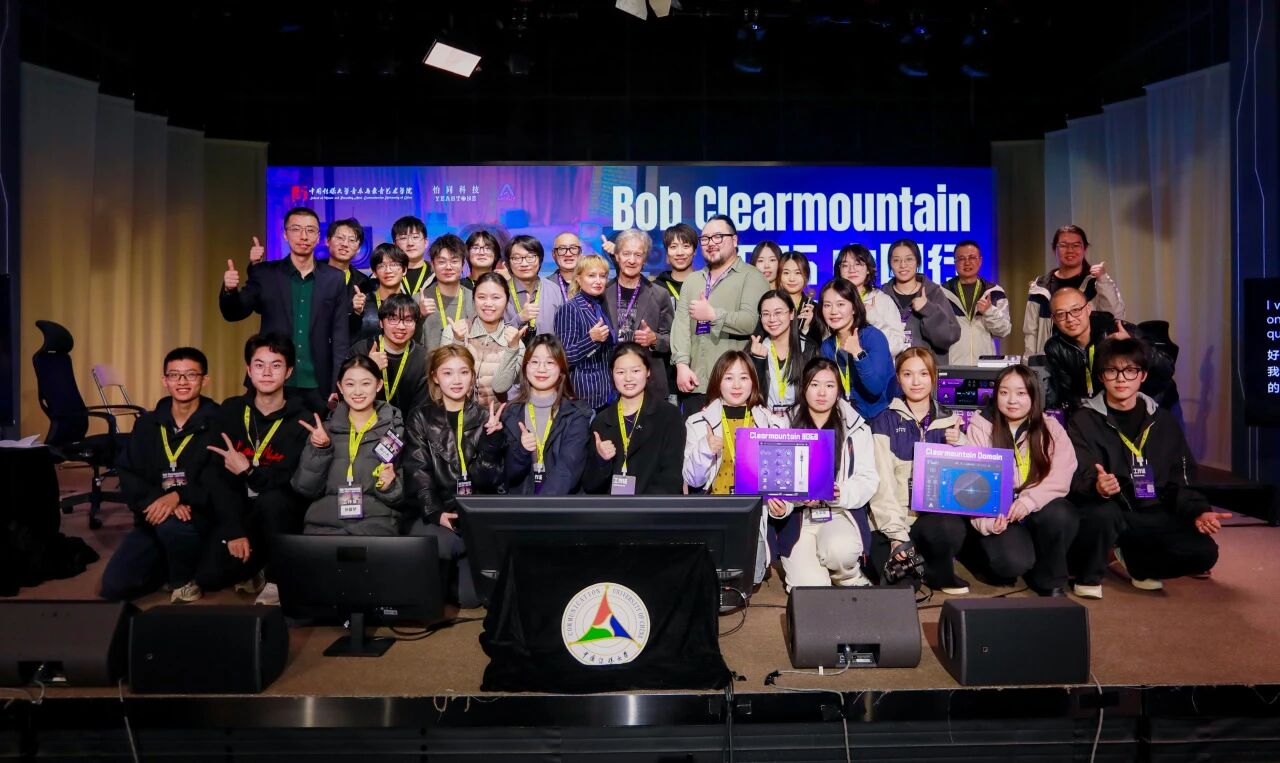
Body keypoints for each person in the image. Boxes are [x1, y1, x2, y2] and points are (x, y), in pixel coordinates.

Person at [1066, 338, 1225, 598]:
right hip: (1110, 508)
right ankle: (1089, 574)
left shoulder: (1163, 420)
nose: (1121, 378)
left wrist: (1199, 511)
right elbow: (1079, 471)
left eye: (1130, 370)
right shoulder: (1083, 420)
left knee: (1204, 554)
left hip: (1152, 508)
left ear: (1143, 375)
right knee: (1100, 515)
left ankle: (1136, 561)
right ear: (1102, 376)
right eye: (1112, 370)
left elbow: (1181, 476)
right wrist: (1097, 485)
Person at [100, 348, 225, 603]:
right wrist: (160, 500)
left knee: (177, 530)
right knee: (114, 586)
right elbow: (128, 471)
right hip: (155, 512)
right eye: (174, 375)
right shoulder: (147, 424)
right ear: (164, 380)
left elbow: (219, 478)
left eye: (191, 375)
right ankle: (170, 561)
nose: (182, 382)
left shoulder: (219, 422)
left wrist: (179, 496)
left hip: (200, 514)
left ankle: (183, 580)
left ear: (204, 380)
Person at [205, 333, 311, 606]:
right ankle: (258, 563)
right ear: (248, 369)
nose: (266, 373)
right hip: (242, 509)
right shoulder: (230, 411)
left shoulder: (302, 419)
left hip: (282, 513)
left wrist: (248, 472)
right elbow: (217, 477)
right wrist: (233, 530)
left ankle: (277, 576)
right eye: (259, 365)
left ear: (288, 371)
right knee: (211, 577)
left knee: (274, 501)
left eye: (276, 365)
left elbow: (287, 480)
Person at [403, 346, 506, 609]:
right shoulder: (420, 417)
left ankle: (461, 560)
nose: (457, 380)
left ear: (472, 375)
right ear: (435, 377)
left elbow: (488, 480)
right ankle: (448, 562)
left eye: (463, 372)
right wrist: (435, 513)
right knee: (434, 573)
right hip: (439, 511)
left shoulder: (485, 417)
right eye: (448, 373)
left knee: (470, 600)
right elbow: (418, 471)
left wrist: (492, 442)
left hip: (474, 514)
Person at [963, 365, 1080, 597]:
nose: (1012, 400)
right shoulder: (980, 428)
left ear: (1033, 396)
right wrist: (988, 523)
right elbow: (972, 484)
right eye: (1004, 392)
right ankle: (985, 556)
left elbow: (1062, 474)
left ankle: (1049, 578)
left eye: (1021, 393)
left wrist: (1029, 501)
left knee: (1062, 514)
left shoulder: (1051, 428)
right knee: (1010, 565)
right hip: (998, 511)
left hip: (1037, 505)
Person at [220, 206, 350, 413]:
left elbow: (340, 336)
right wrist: (229, 290)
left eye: (310, 230)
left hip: (318, 384)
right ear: (285, 234)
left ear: (318, 237)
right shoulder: (265, 273)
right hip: (271, 380)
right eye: (296, 229)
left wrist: (338, 382)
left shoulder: (334, 278)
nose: (303, 236)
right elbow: (234, 313)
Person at [771, 357, 880, 589]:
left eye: (829, 385)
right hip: (799, 519)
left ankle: (847, 577)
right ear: (804, 388)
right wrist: (785, 504)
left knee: (839, 550)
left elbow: (868, 478)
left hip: (837, 513)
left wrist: (840, 492)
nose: (822, 393)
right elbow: (775, 479)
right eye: (815, 384)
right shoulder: (783, 425)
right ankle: (821, 574)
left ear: (838, 389)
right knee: (808, 588)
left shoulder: (856, 428)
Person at [867, 348, 969, 594]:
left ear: (933, 376)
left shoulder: (951, 421)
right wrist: (897, 536)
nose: (916, 382)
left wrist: (961, 444)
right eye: (907, 374)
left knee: (949, 528)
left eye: (923, 373)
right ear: (898, 379)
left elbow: (968, 481)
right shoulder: (883, 421)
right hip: (891, 521)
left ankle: (937, 571)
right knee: (904, 588)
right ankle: (910, 562)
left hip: (929, 519)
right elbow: (881, 488)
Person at [683, 351, 787, 583]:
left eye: (744, 377)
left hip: (751, 514)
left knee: (752, 576)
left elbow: (783, 479)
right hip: (714, 511)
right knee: (709, 578)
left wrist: (782, 506)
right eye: (729, 378)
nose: (737, 385)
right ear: (718, 381)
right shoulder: (698, 422)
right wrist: (705, 449)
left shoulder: (772, 424)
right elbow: (692, 480)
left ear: (753, 381)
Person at [670, 214, 771, 416]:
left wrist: (713, 315)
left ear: (734, 240)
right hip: (695, 383)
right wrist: (681, 365)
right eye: (705, 239)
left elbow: (750, 322)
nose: (711, 243)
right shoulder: (693, 280)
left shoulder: (752, 276)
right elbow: (680, 326)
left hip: (736, 389)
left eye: (718, 237)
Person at [294, 355, 404, 536]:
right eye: (350, 384)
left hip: (375, 524)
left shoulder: (395, 432)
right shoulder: (324, 431)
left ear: (378, 385)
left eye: (366, 383)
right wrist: (320, 450)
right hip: (325, 524)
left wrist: (389, 486)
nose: (357, 391)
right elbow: (306, 489)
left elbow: (403, 497)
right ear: (340, 387)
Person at [1041, 287, 1177, 415]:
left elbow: (1167, 368)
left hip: (1156, 402)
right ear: (1054, 319)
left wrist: (1133, 345)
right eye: (1061, 314)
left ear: (1088, 309)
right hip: (1106, 411)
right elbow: (1068, 393)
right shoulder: (1055, 347)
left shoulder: (1117, 329)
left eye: (1076, 310)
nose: (1070, 319)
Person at [583, 343, 686, 495]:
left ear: (648, 371)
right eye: (621, 372)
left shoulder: (669, 415)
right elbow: (590, 485)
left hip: (654, 506)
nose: (628, 378)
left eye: (636, 371)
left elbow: (672, 476)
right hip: (613, 507)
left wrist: (641, 506)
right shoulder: (601, 421)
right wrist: (601, 460)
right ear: (611, 373)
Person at [499, 335, 593, 495]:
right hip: (521, 504)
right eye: (534, 362)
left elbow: (568, 470)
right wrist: (522, 451)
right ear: (525, 367)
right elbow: (508, 475)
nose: (541, 369)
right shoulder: (511, 412)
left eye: (550, 362)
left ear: (561, 368)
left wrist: (541, 506)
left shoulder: (576, 414)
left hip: (560, 506)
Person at [1023, 224, 1126, 356]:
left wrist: (1103, 279)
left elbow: (1116, 316)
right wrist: (1030, 362)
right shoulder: (1040, 287)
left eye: (1076, 245)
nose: (1070, 250)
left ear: (1085, 249)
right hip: (1051, 359)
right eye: (1064, 245)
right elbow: (1030, 331)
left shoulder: (1097, 283)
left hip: (1091, 358)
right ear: (1054, 249)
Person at [605, 229, 674, 400]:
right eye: (626, 253)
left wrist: (654, 339)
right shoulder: (602, 293)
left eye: (638, 255)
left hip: (650, 384)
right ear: (617, 256)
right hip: (609, 384)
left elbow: (673, 340)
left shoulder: (660, 294)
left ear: (645, 260)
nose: (632, 260)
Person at [817, 278, 895, 420]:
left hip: (879, 420)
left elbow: (875, 388)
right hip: (845, 419)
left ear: (854, 308)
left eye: (840, 304)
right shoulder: (827, 346)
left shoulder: (873, 337)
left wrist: (858, 353)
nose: (833, 311)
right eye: (827, 305)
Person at [442, 272, 523, 407]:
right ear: (473, 300)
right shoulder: (452, 331)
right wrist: (458, 341)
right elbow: (446, 379)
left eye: (496, 297)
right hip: (455, 412)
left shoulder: (516, 343)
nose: (488, 303)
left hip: (495, 416)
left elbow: (500, 387)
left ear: (507, 302)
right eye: (481, 297)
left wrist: (512, 348)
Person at [347, 293, 430, 417]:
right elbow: (349, 396)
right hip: (366, 423)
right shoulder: (360, 351)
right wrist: (369, 368)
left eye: (408, 320)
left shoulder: (423, 358)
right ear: (381, 323)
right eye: (393, 319)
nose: (401, 326)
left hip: (408, 425)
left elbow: (421, 408)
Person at [881, 238, 961, 364]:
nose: (903, 265)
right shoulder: (882, 296)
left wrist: (928, 309)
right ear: (890, 264)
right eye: (896, 260)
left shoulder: (933, 292)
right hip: (890, 372)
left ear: (918, 262)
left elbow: (949, 337)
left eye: (909, 259)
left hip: (926, 371)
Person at [556, 254, 617, 409]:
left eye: (602, 276)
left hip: (606, 392)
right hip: (582, 394)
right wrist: (591, 339)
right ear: (578, 279)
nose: (598, 281)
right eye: (591, 276)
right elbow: (564, 357)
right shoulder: (569, 309)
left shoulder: (602, 305)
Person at [941, 240, 1012, 365]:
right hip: (953, 366)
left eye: (972, 257)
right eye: (961, 259)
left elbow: (1004, 330)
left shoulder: (994, 292)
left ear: (980, 260)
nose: (967, 262)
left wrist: (989, 312)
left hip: (984, 366)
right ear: (955, 263)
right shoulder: (942, 293)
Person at [749, 289, 815, 417]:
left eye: (778, 312)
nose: (772, 319)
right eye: (766, 314)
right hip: (763, 421)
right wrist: (758, 361)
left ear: (791, 314)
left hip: (800, 421)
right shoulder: (755, 349)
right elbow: (752, 394)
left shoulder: (809, 349)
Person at [834, 244, 907, 355]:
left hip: (874, 365)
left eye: (858, 264)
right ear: (839, 270)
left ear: (868, 269)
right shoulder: (832, 300)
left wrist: (874, 318)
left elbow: (897, 347)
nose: (851, 269)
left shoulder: (882, 300)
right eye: (845, 265)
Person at [653, 222, 699, 399]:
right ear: (667, 253)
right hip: (666, 371)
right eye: (673, 247)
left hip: (700, 367)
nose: (680, 252)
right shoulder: (655, 288)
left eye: (686, 246)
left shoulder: (707, 283)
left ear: (695, 251)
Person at [418, 233, 475, 352]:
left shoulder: (475, 300)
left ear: (463, 264)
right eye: (442, 262)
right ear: (432, 265)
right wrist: (419, 316)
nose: (448, 267)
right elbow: (408, 345)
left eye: (454, 261)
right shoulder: (419, 300)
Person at [503, 234, 566, 338]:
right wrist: (519, 318)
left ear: (540, 259)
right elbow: (492, 334)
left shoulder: (554, 289)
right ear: (508, 263)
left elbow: (563, 331)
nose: (524, 264)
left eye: (531, 257)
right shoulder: (500, 291)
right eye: (517, 258)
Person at [353, 243, 410, 343]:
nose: (388, 270)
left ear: (404, 270)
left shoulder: (410, 304)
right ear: (375, 272)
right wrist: (356, 314)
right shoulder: (363, 302)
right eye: (381, 266)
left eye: (393, 264)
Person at [776, 251, 820, 344]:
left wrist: (805, 329)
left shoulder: (815, 310)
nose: (792, 279)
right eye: (786, 273)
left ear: (806, 275)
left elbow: (818, 346)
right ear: (779, 275)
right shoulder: (770, 304)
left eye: (798, 273)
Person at [324, 217, 371, 292]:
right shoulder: (312, 271)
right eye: (340, 238)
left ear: (359, 248)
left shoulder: (363, 283)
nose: (345, 244)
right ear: (327, 241)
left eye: (351, 240)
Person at [392, 215, 433, 298]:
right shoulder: (385, 274)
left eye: (415, 237)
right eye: (403, 238)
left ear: (425, 242)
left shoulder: (437, 273)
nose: (410, 243)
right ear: (395, 245)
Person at [550, 231, 583, 299]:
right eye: (562, 249)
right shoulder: (543, 286)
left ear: (580, 252)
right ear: (553, 254)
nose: (568, 254)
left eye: (573, 248)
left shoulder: (594, 282)